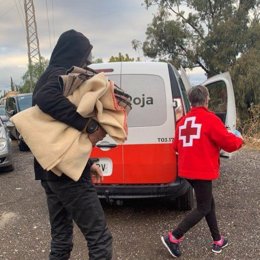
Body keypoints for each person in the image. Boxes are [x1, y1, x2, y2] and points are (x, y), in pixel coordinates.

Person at [33, 29, 112, 260]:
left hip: (50, 170)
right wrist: (87, 125)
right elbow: (45, 98)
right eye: (84, 57)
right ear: (74, 54)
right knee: (99, 238)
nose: (86, 63)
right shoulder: (58, 76)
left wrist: (88, 164)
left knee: (61, 239)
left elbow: (58, 134)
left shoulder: (46, 75)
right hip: (67, 174)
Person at [161, 85, 244, 258]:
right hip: (202, 171)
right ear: (206, 99)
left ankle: (218, 240)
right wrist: (239, 139)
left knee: (208, 204)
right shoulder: (210, 119)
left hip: (186, 171)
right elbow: (229, 143)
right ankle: (174, 237)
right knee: (204, 206)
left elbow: (175, 145)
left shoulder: (183, 121)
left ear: (191, 101)